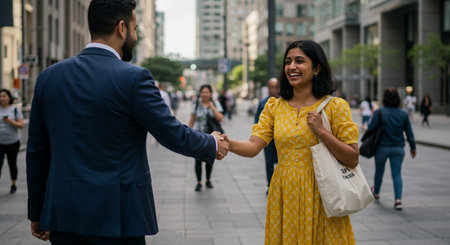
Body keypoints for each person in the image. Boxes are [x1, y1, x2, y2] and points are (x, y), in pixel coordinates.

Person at [26, 1, 229, 244]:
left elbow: (37, 150)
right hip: (117, 216)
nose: (135, 34)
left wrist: (37, 212)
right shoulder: (133, 78)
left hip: (63, 214)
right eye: (135, 27)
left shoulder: (49, 77)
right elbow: (171, 133)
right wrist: (212, 143)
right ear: (121, 28)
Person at [224, 40, 359, 244]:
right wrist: (227, 143)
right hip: (284, 191)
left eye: (299, 61)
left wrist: (321, 130)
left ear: (317, 68)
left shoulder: (335, 107)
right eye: (288, 61)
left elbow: (352, 158)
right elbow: (253, 147)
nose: (292, 67)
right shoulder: (274, 107)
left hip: (322, 191)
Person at [368, 87, 416, 211]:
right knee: (397, 174)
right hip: (398, 148)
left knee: (379, 171)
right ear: (398, 99)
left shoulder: (379, 112)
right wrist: (413, 147)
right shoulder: (403, 114)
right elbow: (409, 133)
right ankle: (398, 200)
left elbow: (371, 127)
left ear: (384, 98)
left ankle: (376, 192)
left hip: (381, 148)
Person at [188, 85, 224, 191]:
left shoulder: (215, 104)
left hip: (211, 137)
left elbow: (220, 118)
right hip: (198, 136)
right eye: (203, 92)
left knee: (209, 158)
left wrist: (212, 108)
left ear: (211, 93)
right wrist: (187, 134)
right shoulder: (196, 105)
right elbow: (191, 120)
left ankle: (208, 180)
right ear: (200, 93)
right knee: (198, 160)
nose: (205, 94)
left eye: (207, 92)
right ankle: (199, 182)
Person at [254, 78, 279, 194]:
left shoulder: (285, 103)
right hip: (268, 140)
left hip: (280, 139)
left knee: (281, 162)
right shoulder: (263, 103)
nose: (273, 90)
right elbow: (257, 122)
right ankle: (270, 185)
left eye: (275, 87)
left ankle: (280, 186)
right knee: (269, 163)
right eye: (271, 87)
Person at [0, 88, 24, 194]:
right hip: (0, 142)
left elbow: (21, 125)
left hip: (12, 142)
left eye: (4, 96)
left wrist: (9, 121)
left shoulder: (14, 110)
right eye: (0, 96)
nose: (2, 98)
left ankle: (13, 184)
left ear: (9, 97)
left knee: (12, 163)